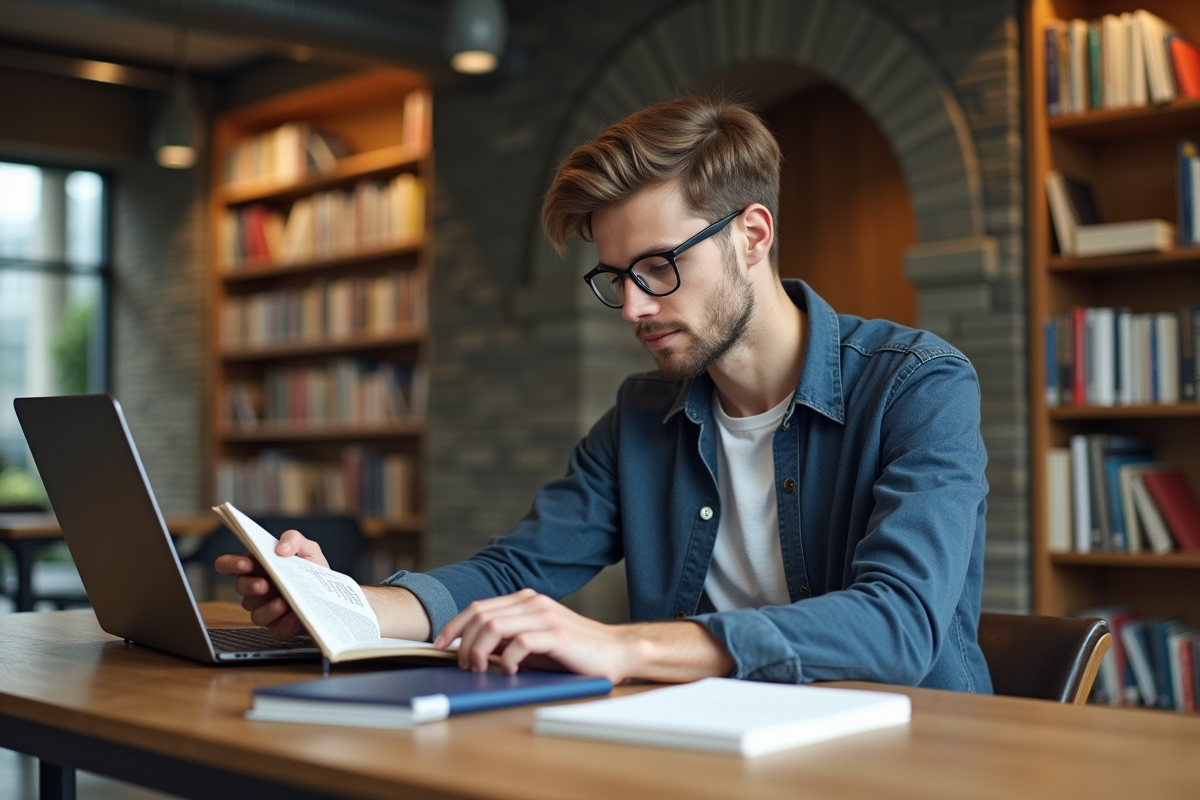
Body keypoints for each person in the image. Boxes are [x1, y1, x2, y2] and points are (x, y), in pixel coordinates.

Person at [218, 96, 992, 693]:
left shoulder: (917, 385)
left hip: (903, 756)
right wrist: (337, 603)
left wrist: (624, 645)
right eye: (616, 278)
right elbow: (508, 572)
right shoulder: (641, 418)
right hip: (709, 748)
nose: (632, 308)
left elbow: (898, 622)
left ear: (752, 235)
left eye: (658, 267)